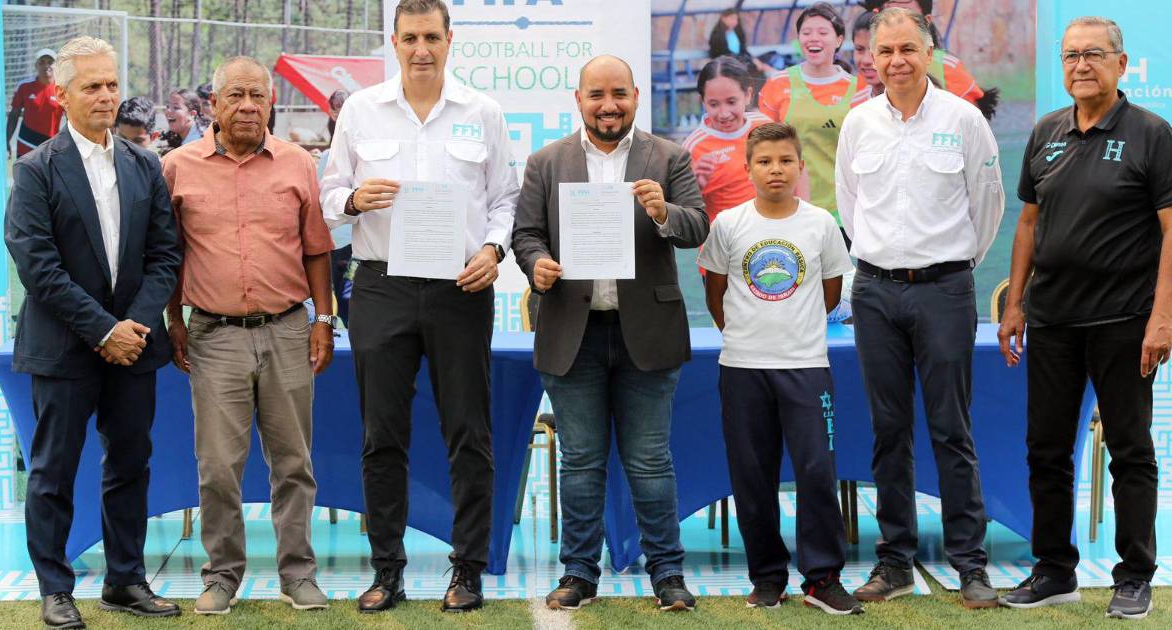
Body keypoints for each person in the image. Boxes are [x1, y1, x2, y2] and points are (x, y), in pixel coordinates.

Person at [320, 0, 519, 613]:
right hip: (382, 286)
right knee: (381, 435)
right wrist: (354, 199)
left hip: (461, 287)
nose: (421, 49)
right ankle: (387, 572)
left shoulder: (483, 111)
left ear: (449, 40)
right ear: (395, 42)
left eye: (431, 36)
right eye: (410, 38)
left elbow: (506, 199)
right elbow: (327, 196)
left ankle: (468, 572)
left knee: (469, 432)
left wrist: (494, 249)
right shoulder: (361, 110)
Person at [997, 17, 1172, 620]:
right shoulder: (1046, 132)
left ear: (1121, 64)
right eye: (1071, 55)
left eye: (1094, 55)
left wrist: (1163, 317)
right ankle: (1054, 571)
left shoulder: (1152, 133)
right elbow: (1029, 223)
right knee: (1046, 451)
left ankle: (1134, 577)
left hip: (1124, 321)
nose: (1081, 65)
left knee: (1130, 452)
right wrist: (1015, 302)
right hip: (1052, 321)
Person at [512, 55, 709, 613]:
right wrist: (537, 263)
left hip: (647, 331)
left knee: (650, 461)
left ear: (635, 96)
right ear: (578, 100)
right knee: (580, 462)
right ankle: (579, 572)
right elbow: (525, 234)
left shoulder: (667, 156)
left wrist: (663, 211)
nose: (608, 105)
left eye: (619, 93)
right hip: (572, 333)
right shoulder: (546, 162)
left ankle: (667, 573)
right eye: (596, 94)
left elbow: (697, 225)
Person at [4, 36, 182, 629]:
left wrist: (133, 326)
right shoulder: (35, 170)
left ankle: (125, 580)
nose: (106, 95)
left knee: (130, 464)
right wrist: (105, 330)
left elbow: (164, 255)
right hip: (64, 347)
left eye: (112, 84)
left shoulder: (144, 165)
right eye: (92, 86)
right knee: (53, 472)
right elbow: (38, 267)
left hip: (133, 347)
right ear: (61, 95)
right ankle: (55, 589)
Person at [834, 8, 1004, 609]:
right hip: (875, 293)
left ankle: (970, 565)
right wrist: (885, 263)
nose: (896, 61)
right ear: (871, 58)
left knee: (951, 429)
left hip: (945, 291)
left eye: (908, 48)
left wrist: (950, 266)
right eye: (884, 51)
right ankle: (895, 562)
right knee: (889, 431)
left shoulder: (962, 119)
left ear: (930, 52)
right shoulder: (859, 123)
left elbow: (987, 205)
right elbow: (851, 207)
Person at [163, 56, 336, 616]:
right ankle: (221, 576)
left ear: (271, 103)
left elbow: (317, 250)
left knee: (293, 462)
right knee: (218, 466)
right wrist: (174, 320)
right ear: (213, 104)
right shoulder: (178, 167)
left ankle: (298, 574)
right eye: (234, 96)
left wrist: (323, 319)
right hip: (214, 335)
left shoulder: (298, 164)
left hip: (287, 330)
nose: (246, 106)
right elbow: (167, 254)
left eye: (257, 96)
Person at [698, 123, 860, 615]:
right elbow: (715, 292)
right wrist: (745, 334)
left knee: (816, 471)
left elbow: (830, 294)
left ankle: (823, 579)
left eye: (786, 161)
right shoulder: (729, 224)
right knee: (752, 477)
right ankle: (767, 577)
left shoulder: (820, 224)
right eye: (765, 161)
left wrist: (795, 330)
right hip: (743, 367)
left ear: (800, 167)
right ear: (748, 168)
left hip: (805, 366)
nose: (776, 170)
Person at [757, 3, 861, 235]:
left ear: (839, 40)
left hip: (844, 211)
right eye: (806, 32)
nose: (814, 38)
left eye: (823, 32)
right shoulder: (777, 84)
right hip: (790, 210)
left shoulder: (857, 89)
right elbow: (760, 149)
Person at [682, 55, 772, 277]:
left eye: (731, 101)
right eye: (714, 104)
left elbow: (794, 175)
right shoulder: (694, 147)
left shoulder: (766, 127)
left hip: (771, 250)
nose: (723, 113)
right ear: (703, 101)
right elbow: (683, 213)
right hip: (723, 260)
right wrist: (697, 186)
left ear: (748, 95)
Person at [859, 0, 999, 118]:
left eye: (908, 15)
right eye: (892, 15)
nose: (897, 61)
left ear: (926, 22)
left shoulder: (947, 68)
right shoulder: (864, 79)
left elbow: (971, 128)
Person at [317, 89, 353, 326]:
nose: (341, 113)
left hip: (353, 242)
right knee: (338, 298)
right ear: (331, 112)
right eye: (337, 108)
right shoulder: (327, 157)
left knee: (347, 299)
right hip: (336, 241)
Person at [6, 49, 63, 158]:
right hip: (26, 144)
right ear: (36, 66)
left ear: (56, 66)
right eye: (42, 62)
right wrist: (7, 141)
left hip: (51, 147)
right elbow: (13, 116)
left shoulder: (62, 89)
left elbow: (72, 119)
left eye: (50, 62)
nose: (46, 66)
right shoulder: (24, 87)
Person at [707, 8, 773, 76]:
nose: (735, 22)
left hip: (739, 60)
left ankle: (772, 74)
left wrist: (754, 59)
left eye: (736, 19)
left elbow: (743, 49)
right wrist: (749, 61)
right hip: (727, 64)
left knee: (770, 57)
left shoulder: (736, 32)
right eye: (732, 18)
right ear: (723, 18)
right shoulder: (717, 35)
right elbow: (725, 55)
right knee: (756, 68)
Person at [851, 11, 883, 102]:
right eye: (859, 49)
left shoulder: (917, 102)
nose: (866, 60)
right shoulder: (856, 103)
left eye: (876, 50)